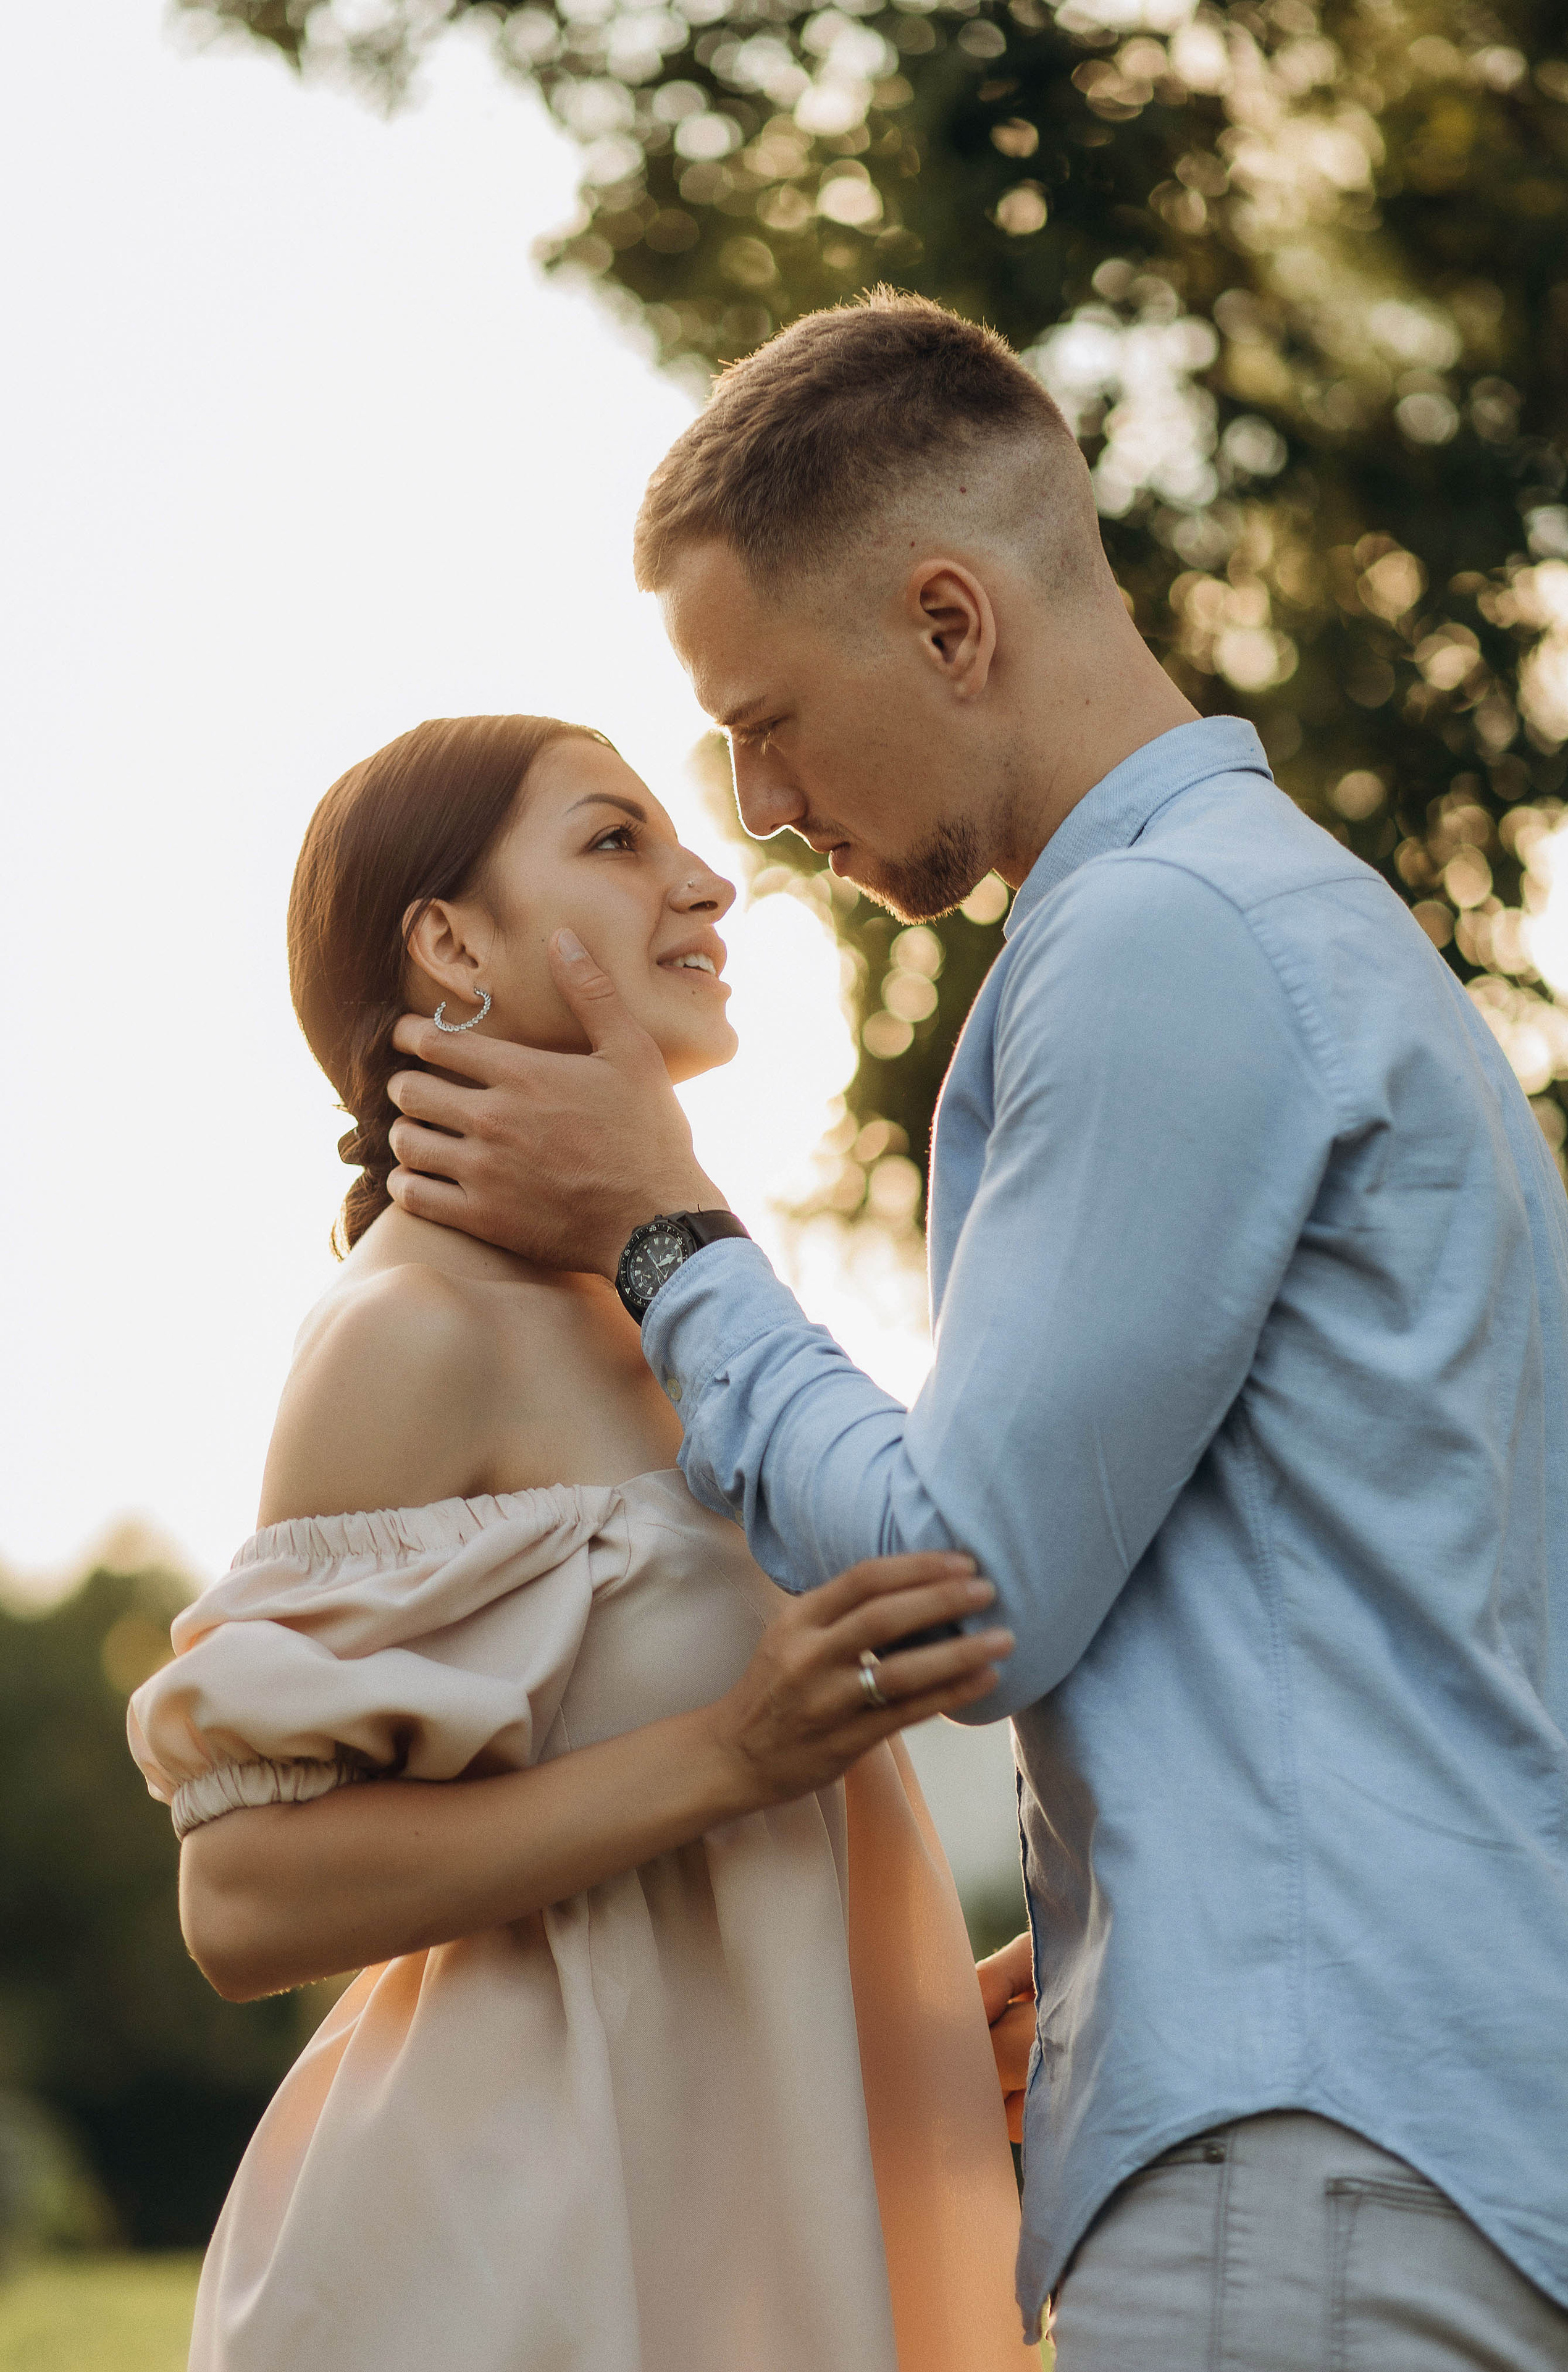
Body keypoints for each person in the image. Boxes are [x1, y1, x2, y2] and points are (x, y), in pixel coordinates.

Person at [378, 297, 1568, 2369]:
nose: (750, 807)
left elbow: (965, 1593)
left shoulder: (1154, 942)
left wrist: (664, 1231)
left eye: (761, 718)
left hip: (1302, 2166)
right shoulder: (1302, 925)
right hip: (1390, 2117)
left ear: (951, 624)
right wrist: (1114, 1947)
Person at [127, 712, 1028, 2372]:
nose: (707, 884)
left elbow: (686, 1857)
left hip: (716, 2246)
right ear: (448, 942)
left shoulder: (668, 1309)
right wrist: (731, 1755)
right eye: (618, 842)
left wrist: (881, 2023)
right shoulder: (409, 1330)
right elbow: (242, 1895)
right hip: (505, 2275)